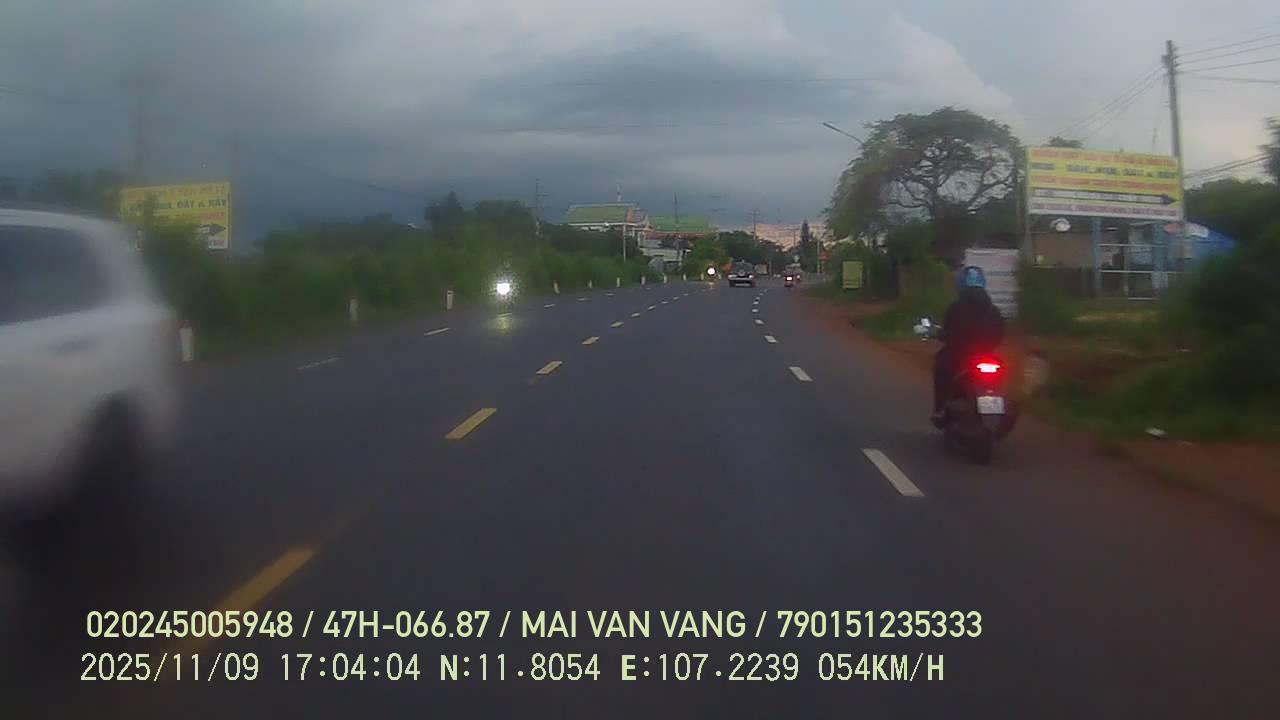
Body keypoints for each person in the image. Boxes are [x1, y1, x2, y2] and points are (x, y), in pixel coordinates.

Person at [932, 265, 1005, 425]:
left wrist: (944, 336)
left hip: (960, 356)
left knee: (941, 364)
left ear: (961, 284)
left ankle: (941, 409)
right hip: (988, 355)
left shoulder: (956, 308)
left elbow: (947, 331)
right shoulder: (994, 310)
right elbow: (1000, 334)